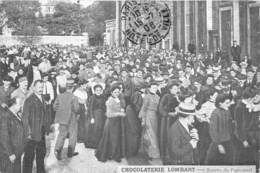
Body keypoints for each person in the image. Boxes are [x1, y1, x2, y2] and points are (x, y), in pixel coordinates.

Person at [95, 85, 126, 162]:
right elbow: (108, 114)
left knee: (116, 138)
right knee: (112, 139)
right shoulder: (110, 100)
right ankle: (112, 155)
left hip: (117, 122)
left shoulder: (117, 99)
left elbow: (117, 108)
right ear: (111, 92)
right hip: (111, 123)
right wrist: (119, 113)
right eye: (115, 92)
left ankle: (115, 154)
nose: (117, 93)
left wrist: (121, 110)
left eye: (118, 92)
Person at [22, 80, 47, 173]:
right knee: (29, 155)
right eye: (39, 87)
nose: (41, 89)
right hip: (32, 132)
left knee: (41, 153)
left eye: (42, 87)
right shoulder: (29, 100)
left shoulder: (43, 97)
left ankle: (41, 171)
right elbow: (25, 118)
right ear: (34, 88)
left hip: (41, 130)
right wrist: (28, 133)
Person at [54, 79, 80, 160]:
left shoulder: (59, 96)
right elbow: (76, 109)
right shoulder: (74, 97)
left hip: (62, 119)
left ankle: (58, 150)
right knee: (73, 135)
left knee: (61, 135)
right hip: (72, 119)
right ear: (72, 88)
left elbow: (54, 107)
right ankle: (70, 153)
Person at [205, 94, 233, 165]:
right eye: (227, 103)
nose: (229, 105)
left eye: (229, 102)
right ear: (220, 104)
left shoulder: (228, 111)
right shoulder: (215, 113)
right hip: (218, 142)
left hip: (227, 141)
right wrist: (219, 145)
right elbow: (213, 131)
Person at [0, 97, 25, 173]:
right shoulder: (6, 116)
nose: (21, 106)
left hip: (16, 152)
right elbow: (4, 137)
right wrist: (10, 153)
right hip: (9, 155)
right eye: (19, 104)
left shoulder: (15, 115)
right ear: (13, 105)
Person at [158, 81, 180, 164]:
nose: (176, 90)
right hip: (167, 120)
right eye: (174, 88)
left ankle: (173, 156)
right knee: (166, 137)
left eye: (177, 88)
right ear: (170, 89)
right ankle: (164, 157)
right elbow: (160, 108)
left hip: (176, 120)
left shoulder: (178, 97)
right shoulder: (166, 96)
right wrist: (168, 113)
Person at [139, 82, 160, 160]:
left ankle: (151, 152)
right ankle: (149, 153)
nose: (155, 89)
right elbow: (144, 108)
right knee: (149, 134)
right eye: (153, 87)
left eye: (156, 87)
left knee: (154, 133)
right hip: (148, 115)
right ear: (149, 88)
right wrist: (143, 119)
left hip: (155, 117)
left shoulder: (158, 97)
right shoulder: (147, 96)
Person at [124, 83, 145, 157]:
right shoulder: (137, 94)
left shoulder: (139, 94)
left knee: (134, 131)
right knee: (134, 131)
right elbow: (135, 105)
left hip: (133, 112)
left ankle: (133, 149)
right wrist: (141, 115)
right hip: (133, 113)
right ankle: (132, 150)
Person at [85, 84, 106, 149]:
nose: (98, 91)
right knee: (95, 129)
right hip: (95, 115)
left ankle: (99, 143)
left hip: (102, 115)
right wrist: (92, 118)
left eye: (100, 90)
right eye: (97, 90)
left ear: (102, 90)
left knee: (101, 129)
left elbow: (105, 106)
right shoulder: (92, 97)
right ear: (94, 91)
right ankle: (93, 144)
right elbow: (90, 108)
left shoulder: (103, 97)